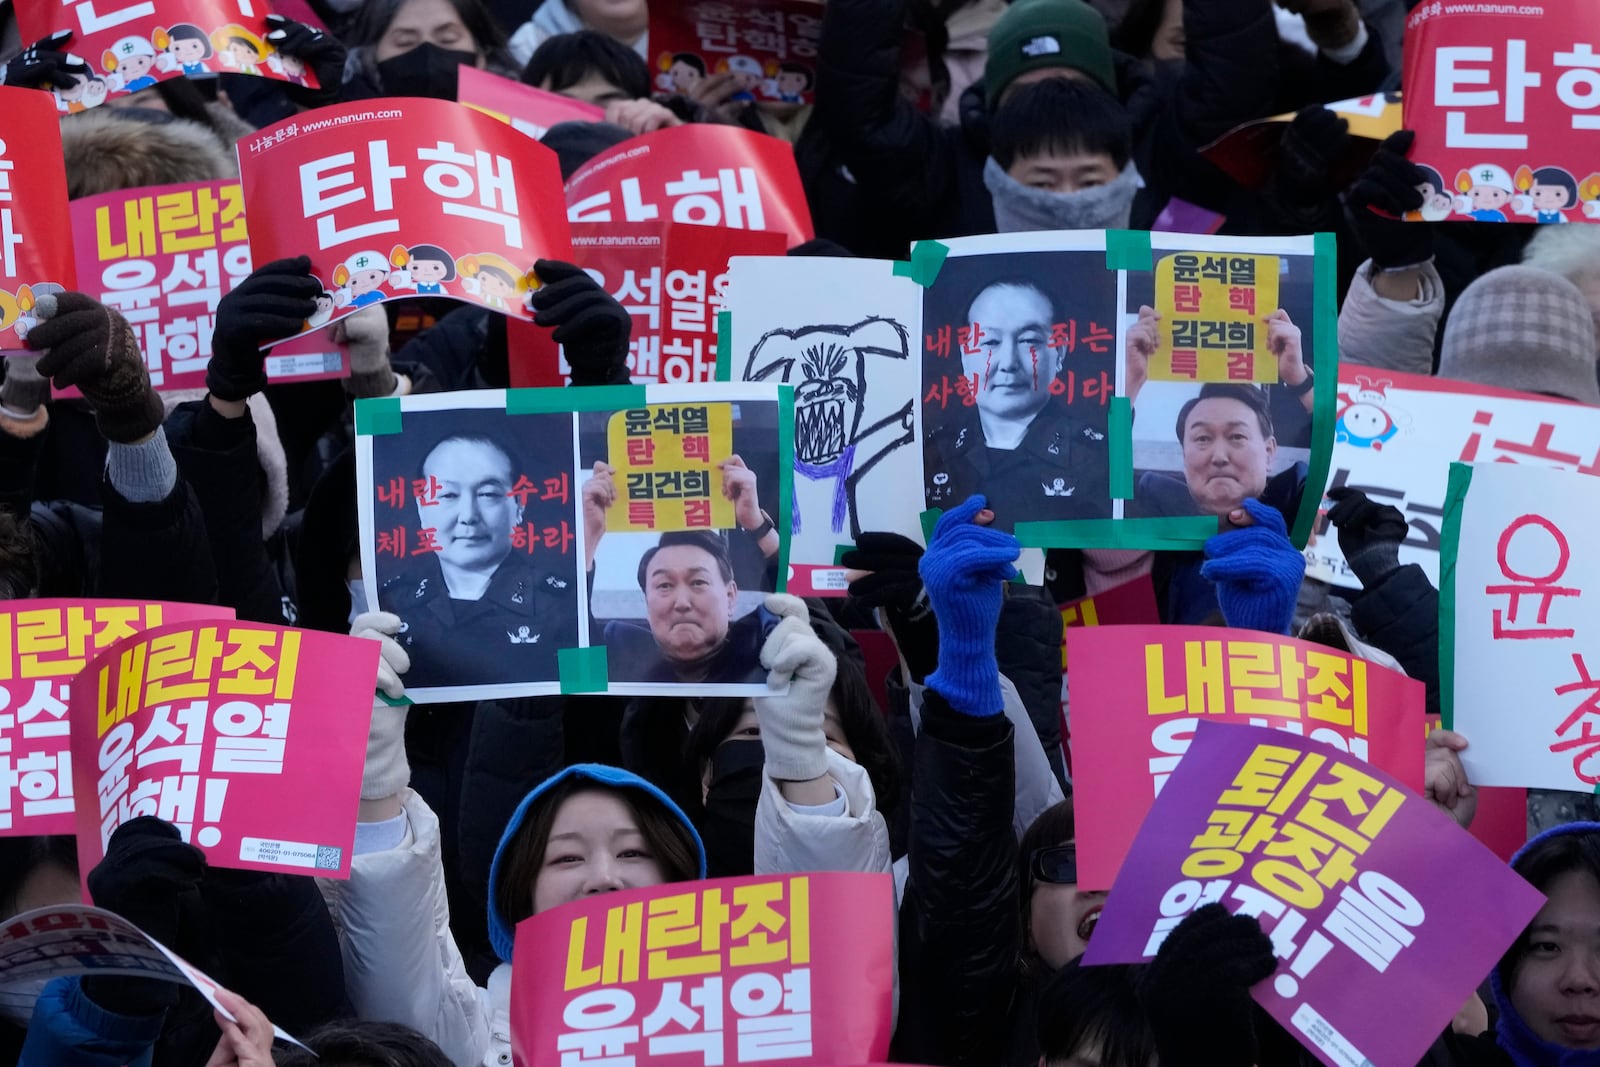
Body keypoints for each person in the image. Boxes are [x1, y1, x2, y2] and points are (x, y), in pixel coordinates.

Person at [375, 431, 578, 688]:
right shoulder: (392, 602)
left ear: (519, 505)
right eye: (447, 495)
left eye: (488, 494)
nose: (468, 515)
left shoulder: (563, 607)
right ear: (422, 509)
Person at [923, 277, 1112, 528]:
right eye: (989, 342)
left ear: (1059, 353)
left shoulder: (1098, 457)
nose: (1009, 362)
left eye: (1029, 341)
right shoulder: (932, 452)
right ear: (965, 356)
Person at [1125, 303, 1314, 518]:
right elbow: (1091, 474)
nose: (1220, 457)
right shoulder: (1153, 508)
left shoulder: (1297, 501)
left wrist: (1300, 380)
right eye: (1203, 438)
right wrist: (1130, 380)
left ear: (1269, 452)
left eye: (1237, 436)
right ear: (1184, 456)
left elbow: (1347, 458)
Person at [594, 529, 777, 685]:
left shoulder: (768, 652)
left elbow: (798, 605)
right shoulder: (619, 649)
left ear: (729, 596)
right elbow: (573, 682)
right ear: (646, 603)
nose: (682, 603)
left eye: (698, 582)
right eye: (665, 585)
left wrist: (760, 528)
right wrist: (587, 543)